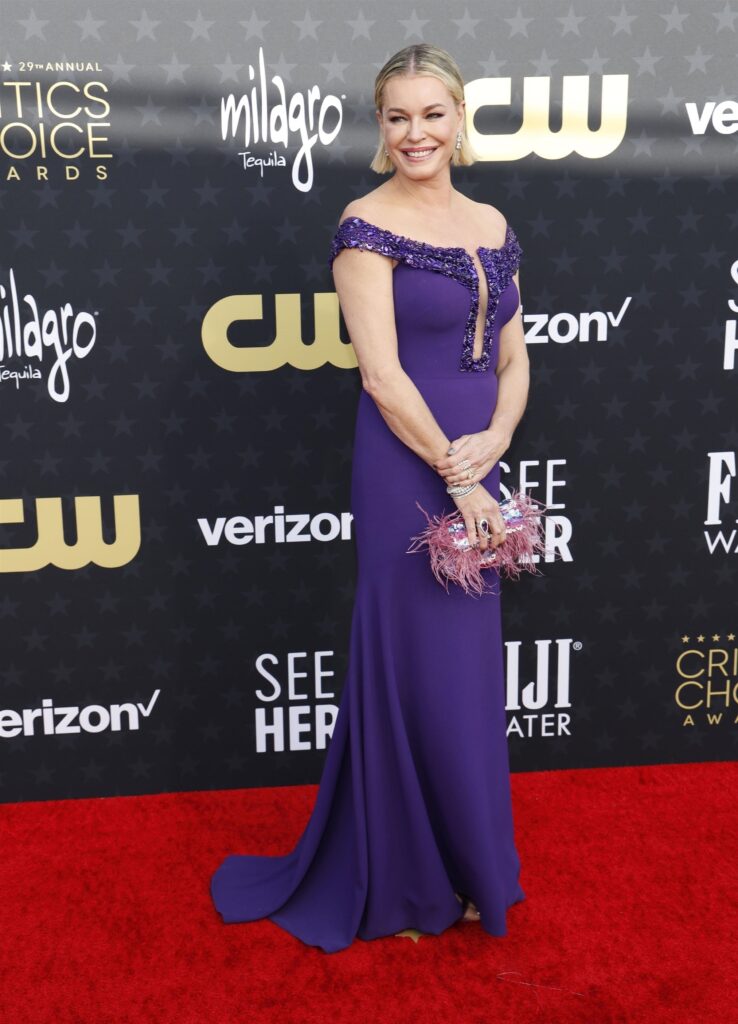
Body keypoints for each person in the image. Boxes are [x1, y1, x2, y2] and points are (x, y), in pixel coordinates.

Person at [210, 42, 529, 954]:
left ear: (460, 119)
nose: (416, 132)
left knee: (467, 674)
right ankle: (407, 875)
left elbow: (514, 356)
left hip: (477, 458)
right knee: (416, 666)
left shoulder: (493, 220)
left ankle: (474, 866)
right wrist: (460, 479)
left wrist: (497, 443)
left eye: (433, 114)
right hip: (408, 472)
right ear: (380, 128)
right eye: (398, 117)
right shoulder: (365, 225)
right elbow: (384, 379)